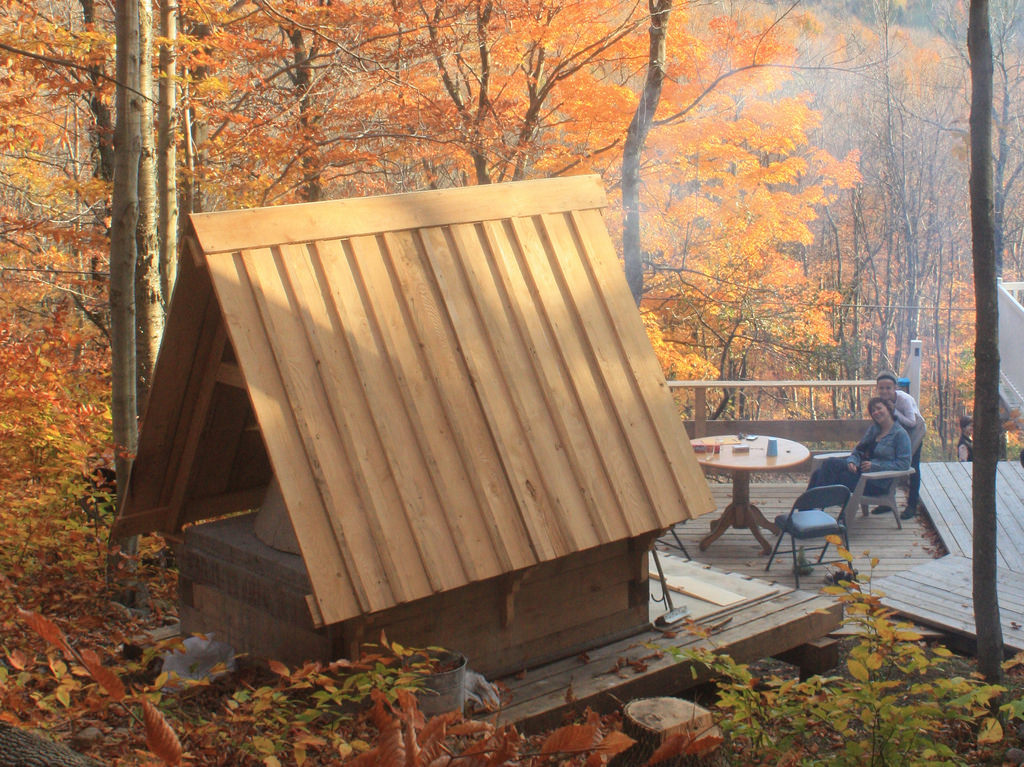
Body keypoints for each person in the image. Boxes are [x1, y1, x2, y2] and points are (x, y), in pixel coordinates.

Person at [808, 396, 912, 497]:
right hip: (860, 472)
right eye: (873, 411)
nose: (876, 412)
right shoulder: (874, 430)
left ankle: (814, 507)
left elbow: (904, 464)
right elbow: (859, 450)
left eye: (879, 408)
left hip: (876, 483)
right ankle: (809, 509)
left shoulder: (900, 434)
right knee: (819, 472)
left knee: (830, 472)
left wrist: (875, 466)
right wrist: (852, 461)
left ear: (889, 409)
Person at [875, 370, 926, 520]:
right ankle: (887, 501)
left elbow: (912, 422)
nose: (885, 391)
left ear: (895, 387)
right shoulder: (880, 401)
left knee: (912, 468)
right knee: (888, 463)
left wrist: (894, 410)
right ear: (877, 388)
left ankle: (912, 505)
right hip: (897, 433)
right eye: (881, 388)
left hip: (915, 432)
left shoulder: (904, 400)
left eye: (888, 388)